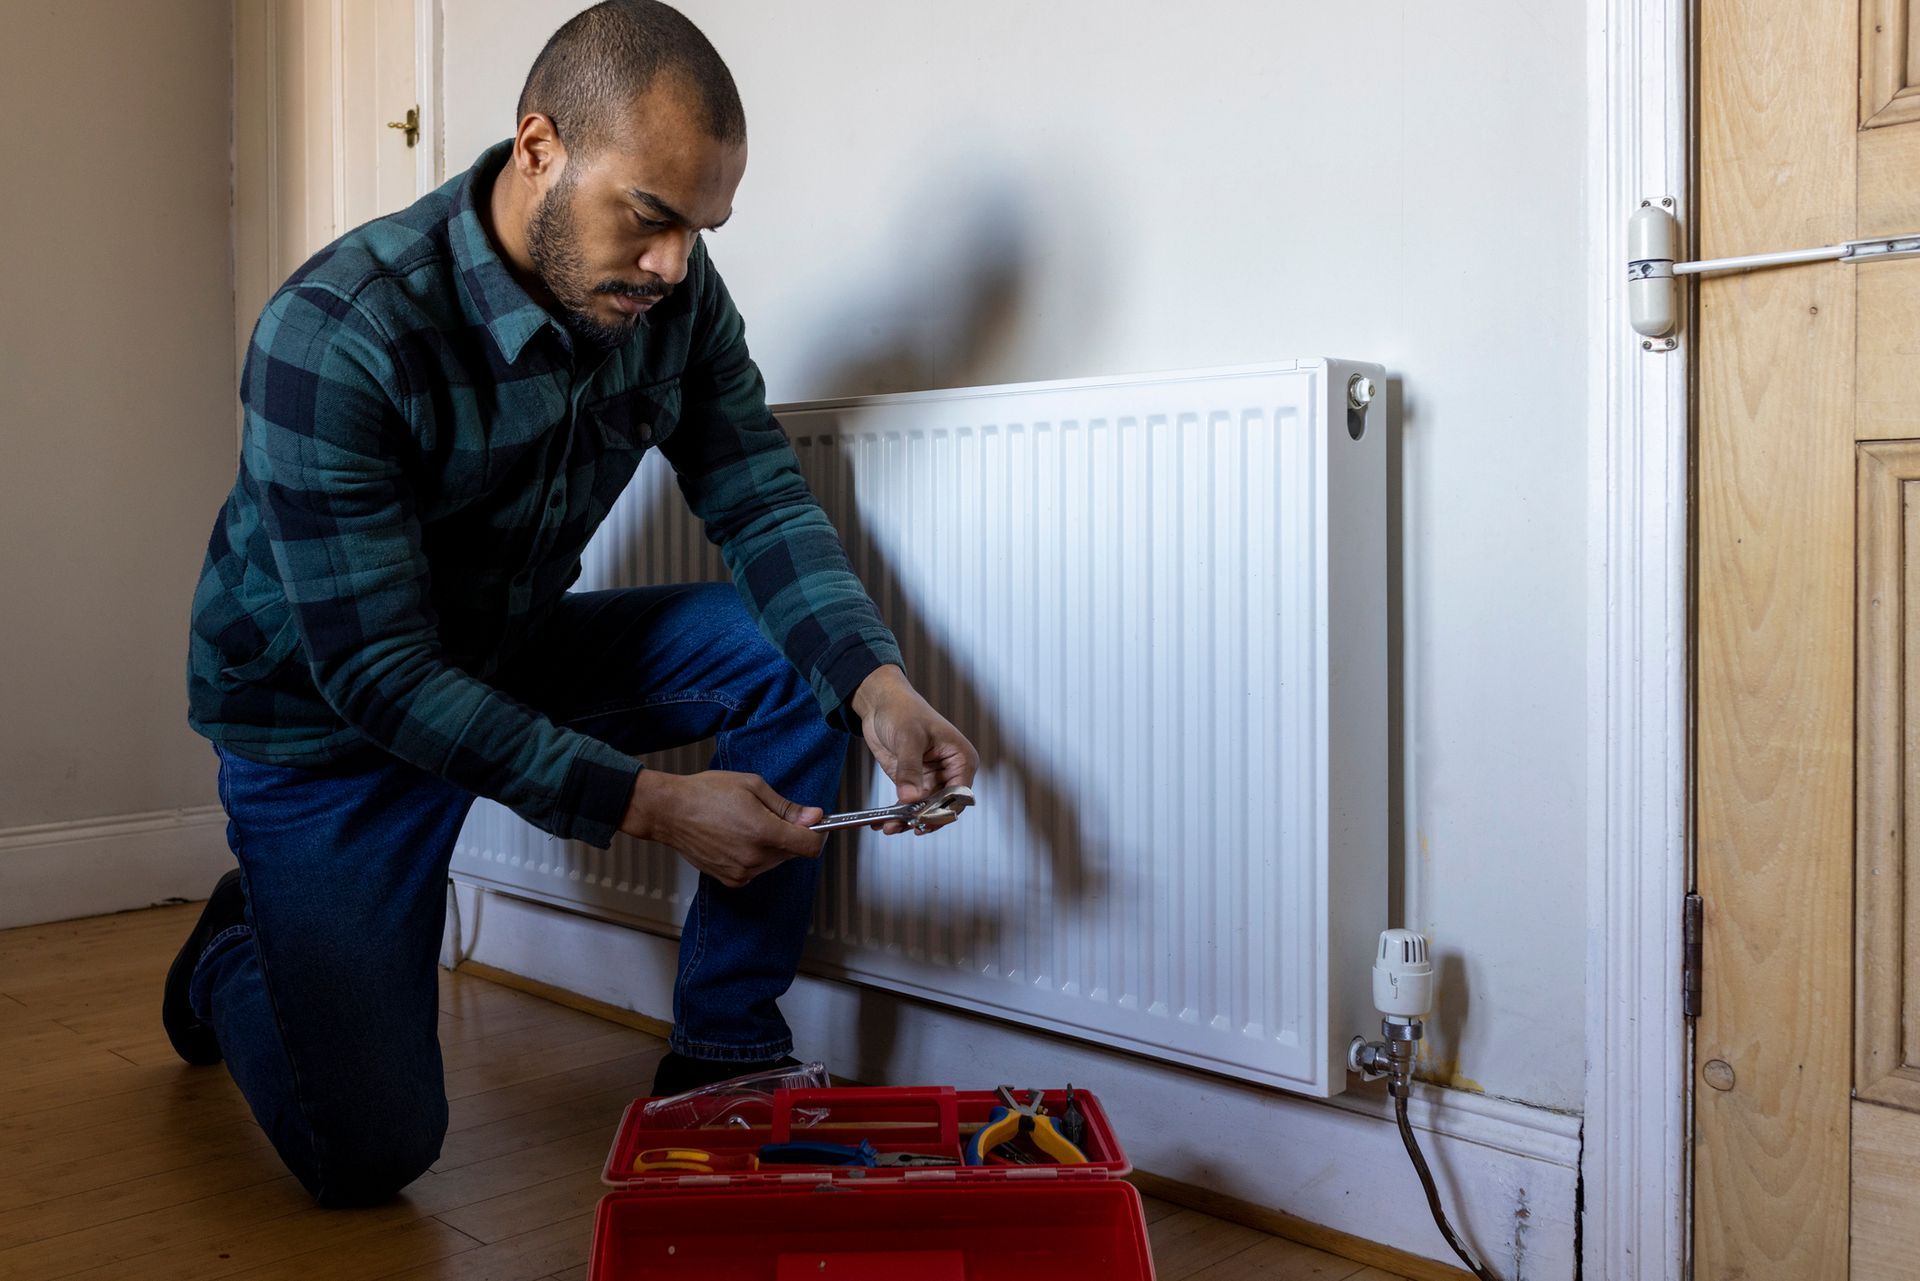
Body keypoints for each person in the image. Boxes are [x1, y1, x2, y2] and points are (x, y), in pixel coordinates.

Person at [164, 0, 978, 1207]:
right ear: (539, 148)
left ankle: (723, 1052)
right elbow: (380, 673)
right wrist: (651, 804)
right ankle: (239, 950)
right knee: (368, 1156)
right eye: (649, 219)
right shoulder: (337, 332)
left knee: (791, 659)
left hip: (505, 654)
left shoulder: (675, 299)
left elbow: (758, 499)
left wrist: (880, 685)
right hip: (324, 728)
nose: (672, 266)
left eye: (700, 231)